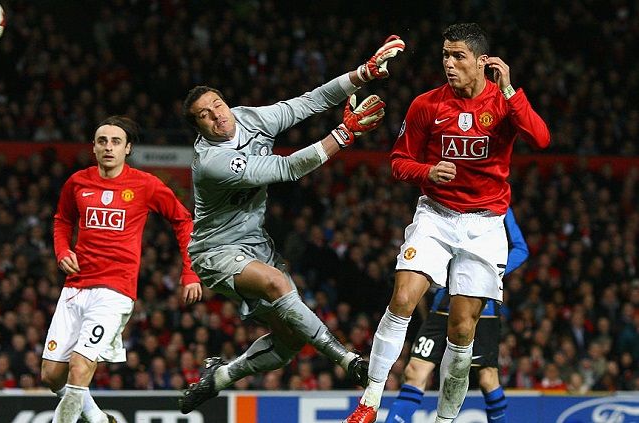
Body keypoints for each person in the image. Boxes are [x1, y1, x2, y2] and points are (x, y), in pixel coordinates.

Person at [178, 35, 406, 414]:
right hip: (216, 250)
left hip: (256, 243)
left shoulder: (248, 117)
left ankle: (220, 376)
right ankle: (348, 360)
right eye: (205, 114)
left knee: (287, 344)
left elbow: (310, 102)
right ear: (198, 127)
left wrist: (362, 73)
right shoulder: (212, 162)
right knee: (277, 283)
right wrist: (343, 134)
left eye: (217, 104)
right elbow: (285, 168)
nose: (217, 114)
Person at [344, 23, 550, 423]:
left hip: (486, 225)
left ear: (481, 62)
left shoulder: (503, 103)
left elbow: (541, 139)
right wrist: (426, 172)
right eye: (445, 56)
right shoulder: (426, 105)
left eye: (458, 56)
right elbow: (399, 163)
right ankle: (368, 402)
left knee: (461, 331)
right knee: (403, 298)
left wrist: (510, 91)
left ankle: (445, 420)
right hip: (436, 217)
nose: (449, 64)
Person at [41, 115, 202, 423]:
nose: (108, 147)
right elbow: (62, 220)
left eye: (116, 142)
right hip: (76, 286)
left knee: (79, 366)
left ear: (128, 148)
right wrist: (62, 250)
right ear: (93, 147)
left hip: (115, 291)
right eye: (102, 141)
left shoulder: (145, 185)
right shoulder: (77, 181)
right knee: (51, 376)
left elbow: (183, 220)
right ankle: (100, 420)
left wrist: (190, 271)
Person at [386, 207, 528, 423]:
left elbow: (520, 248)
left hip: (480, 307)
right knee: (415, 371)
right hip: (442, 304)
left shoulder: (499, 205)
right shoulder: (445, 198)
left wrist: (486, 277)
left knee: (487, 377)